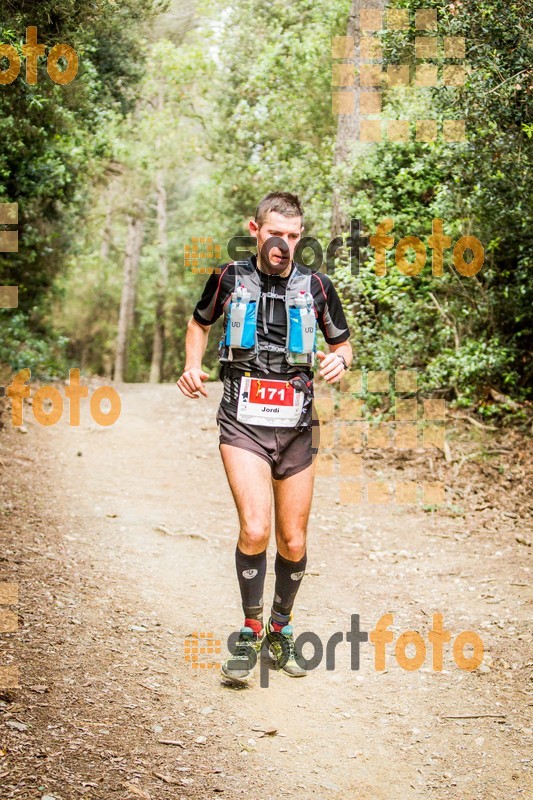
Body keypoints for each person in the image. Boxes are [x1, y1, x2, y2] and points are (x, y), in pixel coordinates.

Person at [177, 192, 353, 684]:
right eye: (276, 233)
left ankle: (281, 627)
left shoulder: (317, 285)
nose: (285, 244)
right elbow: (198, 323)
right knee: (256, 529)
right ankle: (251, 630)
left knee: (293, 539)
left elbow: (342, 344)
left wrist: (341, 359)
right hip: (242, 422)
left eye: (294, 236)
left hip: (297, 426)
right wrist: (193, 365)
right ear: (255, 229)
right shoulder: (229, 277)